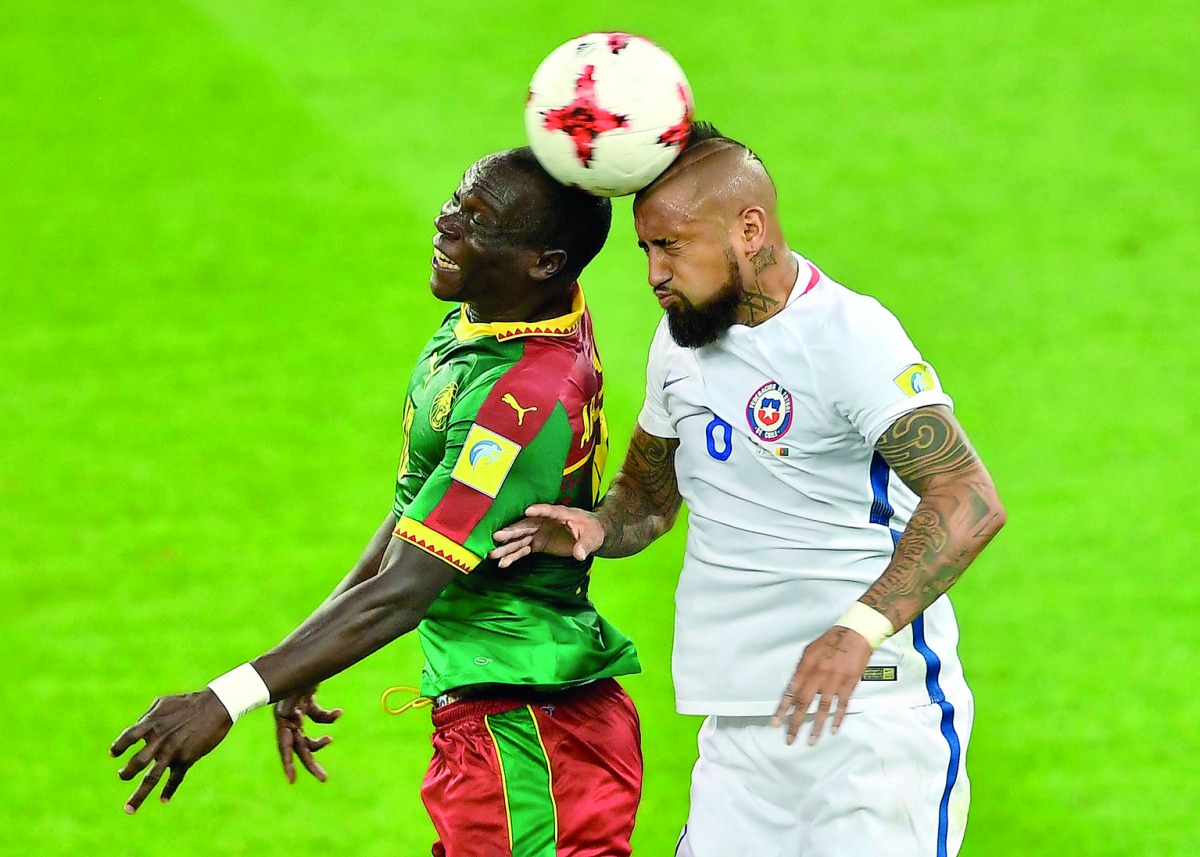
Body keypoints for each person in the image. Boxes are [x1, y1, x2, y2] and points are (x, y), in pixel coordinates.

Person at [110, 147, 644, 857]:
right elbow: (414, 516)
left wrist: (226, 698)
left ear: (543, 262)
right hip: (505, 725)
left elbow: (406, 589)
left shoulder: (518, 400)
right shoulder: (491, 320)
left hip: (534, 741)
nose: (445, 222)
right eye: (456, 200)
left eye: (479, 221)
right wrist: (302, 661)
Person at [491, 123, 1007, 857]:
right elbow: (648, 498)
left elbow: (967, 498)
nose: (654, 273)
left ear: (750, 229)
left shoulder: (849, 336)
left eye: (671, 245)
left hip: (871, 721)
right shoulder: (681, 341)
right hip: (739, 729)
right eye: (645, 249)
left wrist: (857, 629)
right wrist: (598, 526)